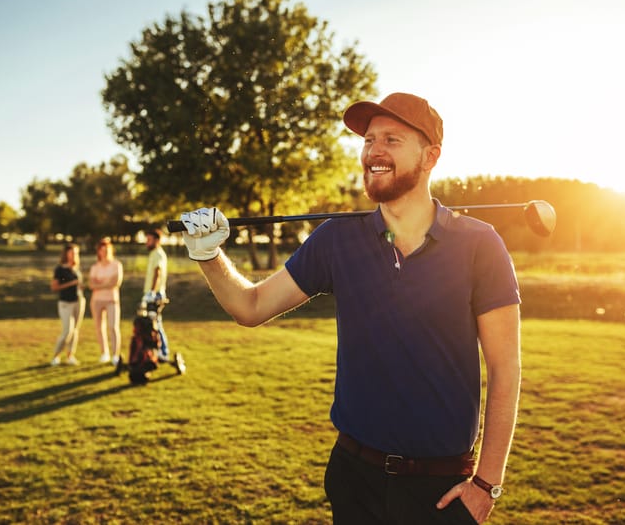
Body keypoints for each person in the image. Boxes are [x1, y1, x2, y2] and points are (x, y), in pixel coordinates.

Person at [179, 92, 521, 524]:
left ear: (431, 156)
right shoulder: (336, 240)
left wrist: (487, 484)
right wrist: (209, 256)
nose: (374, 151)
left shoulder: (480, 245)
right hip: (353, 477)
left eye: (392, 140)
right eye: (368, 140)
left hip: (440, 491)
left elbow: (505, 369)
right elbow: (251, 306)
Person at [88, 237, 123, 365]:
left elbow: (115, 282)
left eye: (107, 249)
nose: (104, 252)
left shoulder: (116, 265)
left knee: (113, 327)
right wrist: (106, 283)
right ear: (99, 252)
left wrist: (100, 283)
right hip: (97, 301)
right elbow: (91, 284)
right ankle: (104, 353)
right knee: (99, 328)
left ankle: (115, 354)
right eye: (102, 250)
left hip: (111, 300)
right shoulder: (95, 267)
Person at [50, 242, 85, 366]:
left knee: (75, 330)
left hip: (78, 301)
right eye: (72, 253)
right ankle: (56, 355)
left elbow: (78, 284)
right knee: (67, 331)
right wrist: (72, 284)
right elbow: (54, 287)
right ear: (66, 254)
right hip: (65, 303)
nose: (74, 255)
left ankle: (70, 355)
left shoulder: (75, 269)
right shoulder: (60, 269)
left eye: (76, 253)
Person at [143, 229, 170, 361]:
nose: (146, 242)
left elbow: (157, 273)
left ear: (157, 241)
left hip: (156, 294)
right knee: (152, 324)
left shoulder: (158, 254)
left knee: (156, 324)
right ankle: (157, 350)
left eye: (149, 240)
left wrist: (152, 292)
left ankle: (164, 352)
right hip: (152, 294)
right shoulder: (153, 254)